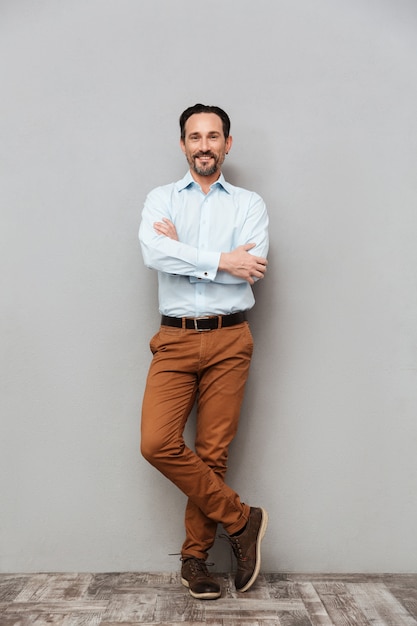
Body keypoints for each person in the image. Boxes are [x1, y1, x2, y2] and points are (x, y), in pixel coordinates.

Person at [139, 103, 269, 600]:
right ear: (183, 145)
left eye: (214, 136)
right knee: (157, 442)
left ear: (227, 144)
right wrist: (220, 259)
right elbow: (153, 253)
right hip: (173, 338)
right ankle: (242, 519)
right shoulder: (160, 199)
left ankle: (194, 561)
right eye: (195, 137)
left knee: (212, 455)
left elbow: (252, 265)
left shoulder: (249, 204)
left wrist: (185, 254)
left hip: (230, 337)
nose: (204, 145)